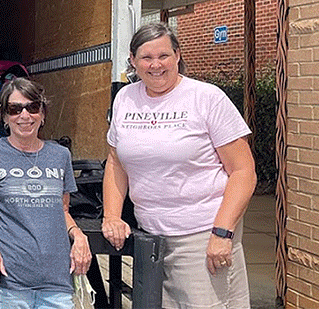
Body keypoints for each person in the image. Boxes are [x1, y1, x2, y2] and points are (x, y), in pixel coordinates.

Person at [102, 22, 256, 308]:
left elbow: (243, 171)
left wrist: (222, 232)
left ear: (177, 56)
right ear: (133, 62)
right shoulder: (125, 98)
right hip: (150, 237)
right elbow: (116, 162)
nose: (155, 65)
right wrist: (112, 215)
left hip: (202, 235)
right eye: (146, 58)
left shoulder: (206, 98)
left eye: (164, 56)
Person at [0, 78, 91, 308]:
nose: (24, 115)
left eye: (32, 107)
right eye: (15, 109)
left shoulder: (60, 155)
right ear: (4, 117)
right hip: (8, 282)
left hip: (56, 282)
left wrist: (79, 235)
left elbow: (62, 209)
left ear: (42, 114)